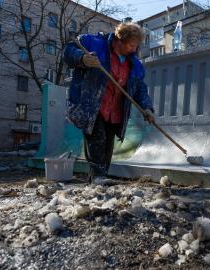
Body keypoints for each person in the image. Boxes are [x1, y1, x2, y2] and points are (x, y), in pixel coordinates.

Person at [63, 22, 154, 185]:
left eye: (136, 46)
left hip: (115, 112)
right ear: (119, 40)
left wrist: (146, 107)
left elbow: (140, 87)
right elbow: (68, 52)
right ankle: (98, 178)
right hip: (92, 106)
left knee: (106, 148)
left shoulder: (135, 65)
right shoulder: (92, 43)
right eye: (131, 45)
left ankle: (97, 181)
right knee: (96, 139)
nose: (134, 49)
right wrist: (82, 58)